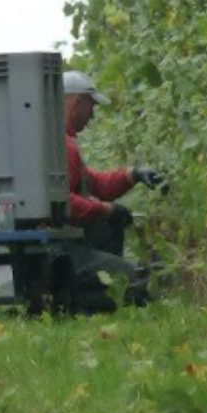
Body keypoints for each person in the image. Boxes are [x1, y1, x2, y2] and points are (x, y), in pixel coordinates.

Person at [61, 69, 165, 312]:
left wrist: (133, 174)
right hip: (63, 249)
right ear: (77, 103)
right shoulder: (61, 146)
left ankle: (77, 293)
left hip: (65, 244)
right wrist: (106, 209)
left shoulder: (60, 141)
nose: (93, 115)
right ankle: (70, 301)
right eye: (91, 107)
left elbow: (93, 184)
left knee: (111, 219)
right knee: (136, 286)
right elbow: (62, 203)